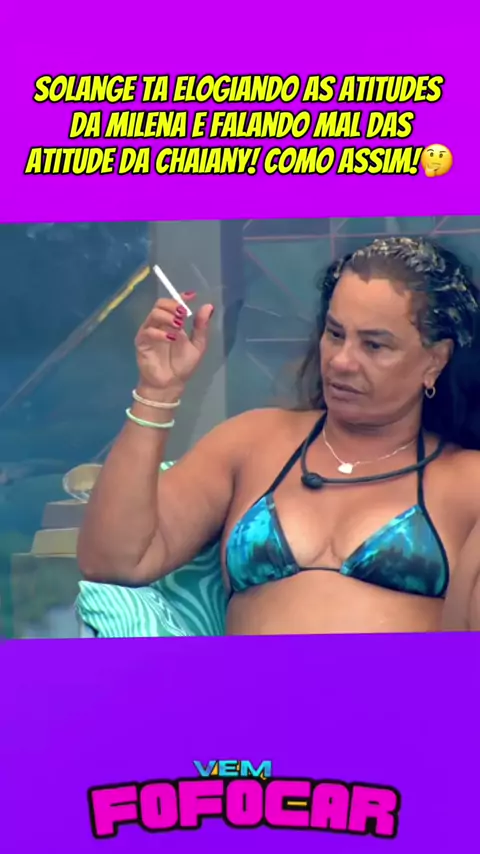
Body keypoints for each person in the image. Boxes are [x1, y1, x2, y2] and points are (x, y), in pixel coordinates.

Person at [77, 236, 480, 634]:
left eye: (374, 345)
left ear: (435, 360)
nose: (341, 361)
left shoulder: (466, 481)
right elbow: (112, 561)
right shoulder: (253, 442)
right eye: (335, 334)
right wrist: (157, 391)